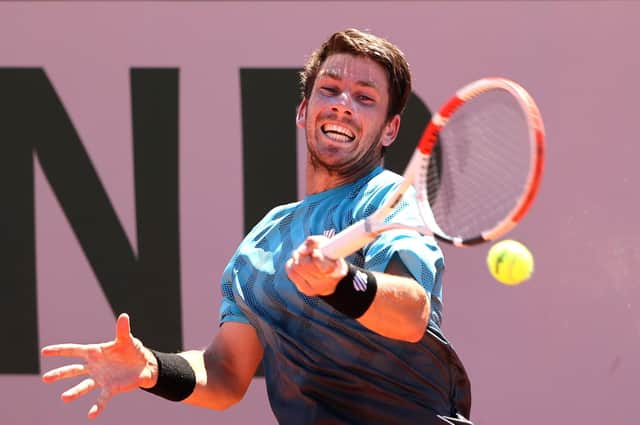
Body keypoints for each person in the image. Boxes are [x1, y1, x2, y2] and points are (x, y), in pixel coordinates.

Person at [41, 28, 473, 425]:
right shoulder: (263, 242)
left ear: (390, 129)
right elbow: (226, 374)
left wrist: (342, 282)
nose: (343, 102)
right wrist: (152, 368)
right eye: (330, 89)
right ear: (304, 111)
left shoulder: (390, 198)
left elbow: (412, 313)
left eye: (364, 97)